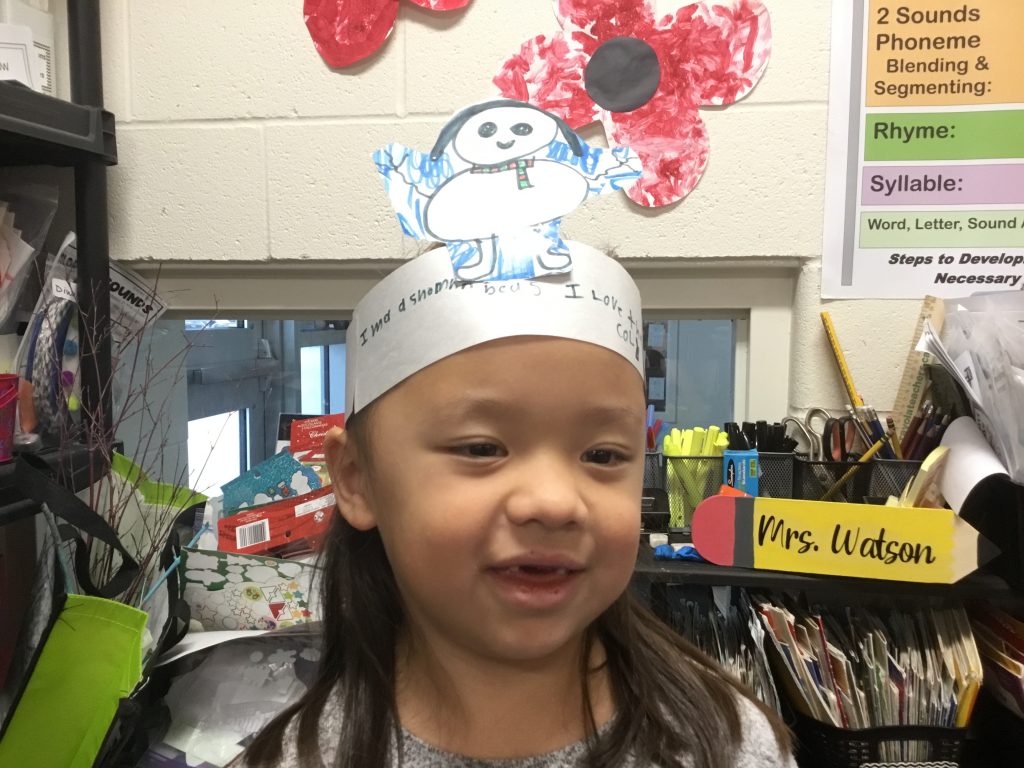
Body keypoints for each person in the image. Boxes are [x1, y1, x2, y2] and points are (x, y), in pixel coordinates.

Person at [239, 243, 795, 768]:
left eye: (602, 455)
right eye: (482, 448)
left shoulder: (729, 747)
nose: (553, 502)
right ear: (357, 478)